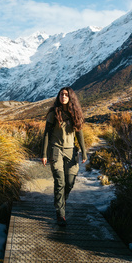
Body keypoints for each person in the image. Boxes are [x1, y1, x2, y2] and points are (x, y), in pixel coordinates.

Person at [41, 86, 87, 227]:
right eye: (61, 94)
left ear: (70, 97)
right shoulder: (53, 113)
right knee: (60, 182)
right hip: (56, 151)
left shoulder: (75, 114)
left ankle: (61, 201)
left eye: (66, 95)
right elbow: (47, 134)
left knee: (70, 182)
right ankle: (61, 214)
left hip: (71, 151)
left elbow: (79, 133)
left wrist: (84, 152)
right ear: (58, 97)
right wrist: (44, 154)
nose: (63, 97)